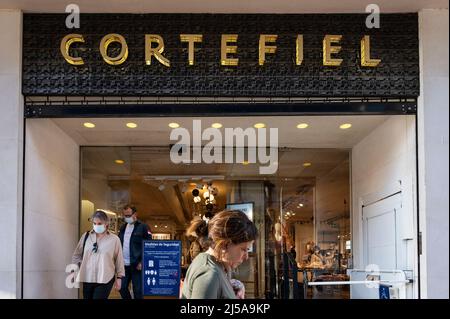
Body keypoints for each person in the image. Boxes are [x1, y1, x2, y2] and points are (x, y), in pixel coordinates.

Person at [181, 210, 258, 299]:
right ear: (224, 245)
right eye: (244, 249)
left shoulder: (210, 263)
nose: (246, 257)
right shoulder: (209, 274)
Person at [72, 210, 125, 299]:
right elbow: (77, 255)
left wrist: (119, 277)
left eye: (99, 223)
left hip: (105, 278)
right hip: (87, 277)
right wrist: (74, 270)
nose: (96, 225)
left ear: (106, 223)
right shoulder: (86, 236)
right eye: (94, 223)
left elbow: (119, 259)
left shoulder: (114, 239)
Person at [118, 204, 152, 299]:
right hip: (124, 265)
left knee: (138, 290)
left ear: (135, 214)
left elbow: (149, 246)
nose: (127, 217)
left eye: (129, 215)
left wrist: (142, 261)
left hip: (137, 265)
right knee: (122, 287)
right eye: (125, 215)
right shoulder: (123, 227)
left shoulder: (144, 227)